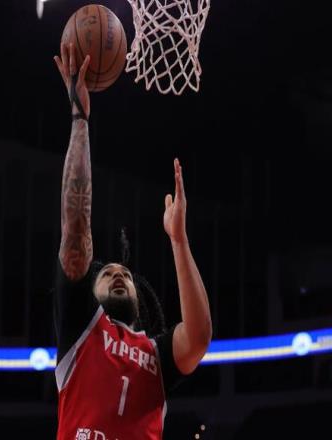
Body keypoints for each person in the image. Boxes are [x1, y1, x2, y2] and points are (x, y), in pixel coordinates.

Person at [53, 43, 212, 440]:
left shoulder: (157, 355)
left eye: (123, 273)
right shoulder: (81, 329)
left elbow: (198, 337)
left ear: (141, 299)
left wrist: (179, 240)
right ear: (89, 291)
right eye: (107, 273)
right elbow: (76, 228)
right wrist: (79, 119)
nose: (118, 274)